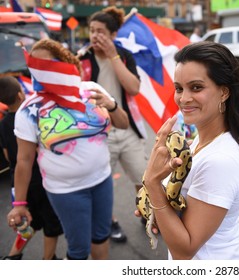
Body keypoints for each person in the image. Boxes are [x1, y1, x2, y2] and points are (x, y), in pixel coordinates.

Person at [137, 41, 239, 259]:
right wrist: (157, 210)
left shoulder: (220, 160)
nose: (184, 98)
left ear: (224, 92)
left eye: (196, 87)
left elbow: (184, 250)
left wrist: (152, 184)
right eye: (179, 88)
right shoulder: (202, 140)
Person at [6, 38, 130, 260]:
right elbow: (23, 161)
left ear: (64, 61)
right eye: (37, 66)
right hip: (65, 191)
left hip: (101, 180)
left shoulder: (91, 89)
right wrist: (19, 204)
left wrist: (111, 105)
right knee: (79, 249)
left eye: (51, 63)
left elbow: (123, 124)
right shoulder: (29, 110)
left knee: (101, 238)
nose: (45, 71)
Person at [79, 6, 148, 243]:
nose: (95, 35)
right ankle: (110, 222)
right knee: (101, 181)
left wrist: (113, 55)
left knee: (143, 176)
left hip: (127, 128)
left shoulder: (124, 55)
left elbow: (134, 88)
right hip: (98, 133)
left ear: (112, 34)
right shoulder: (83, 58)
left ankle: (145, 211)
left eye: (100, 31)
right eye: (92, 30)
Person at [0, 76, 63, 260]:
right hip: (40, 180)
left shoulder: (3, 125)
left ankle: (12, 257)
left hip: (18, 183)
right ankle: (48, 260)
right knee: (52, 225)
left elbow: (7, 156)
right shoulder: (30, 118)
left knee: (29, 223)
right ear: (21, 94)